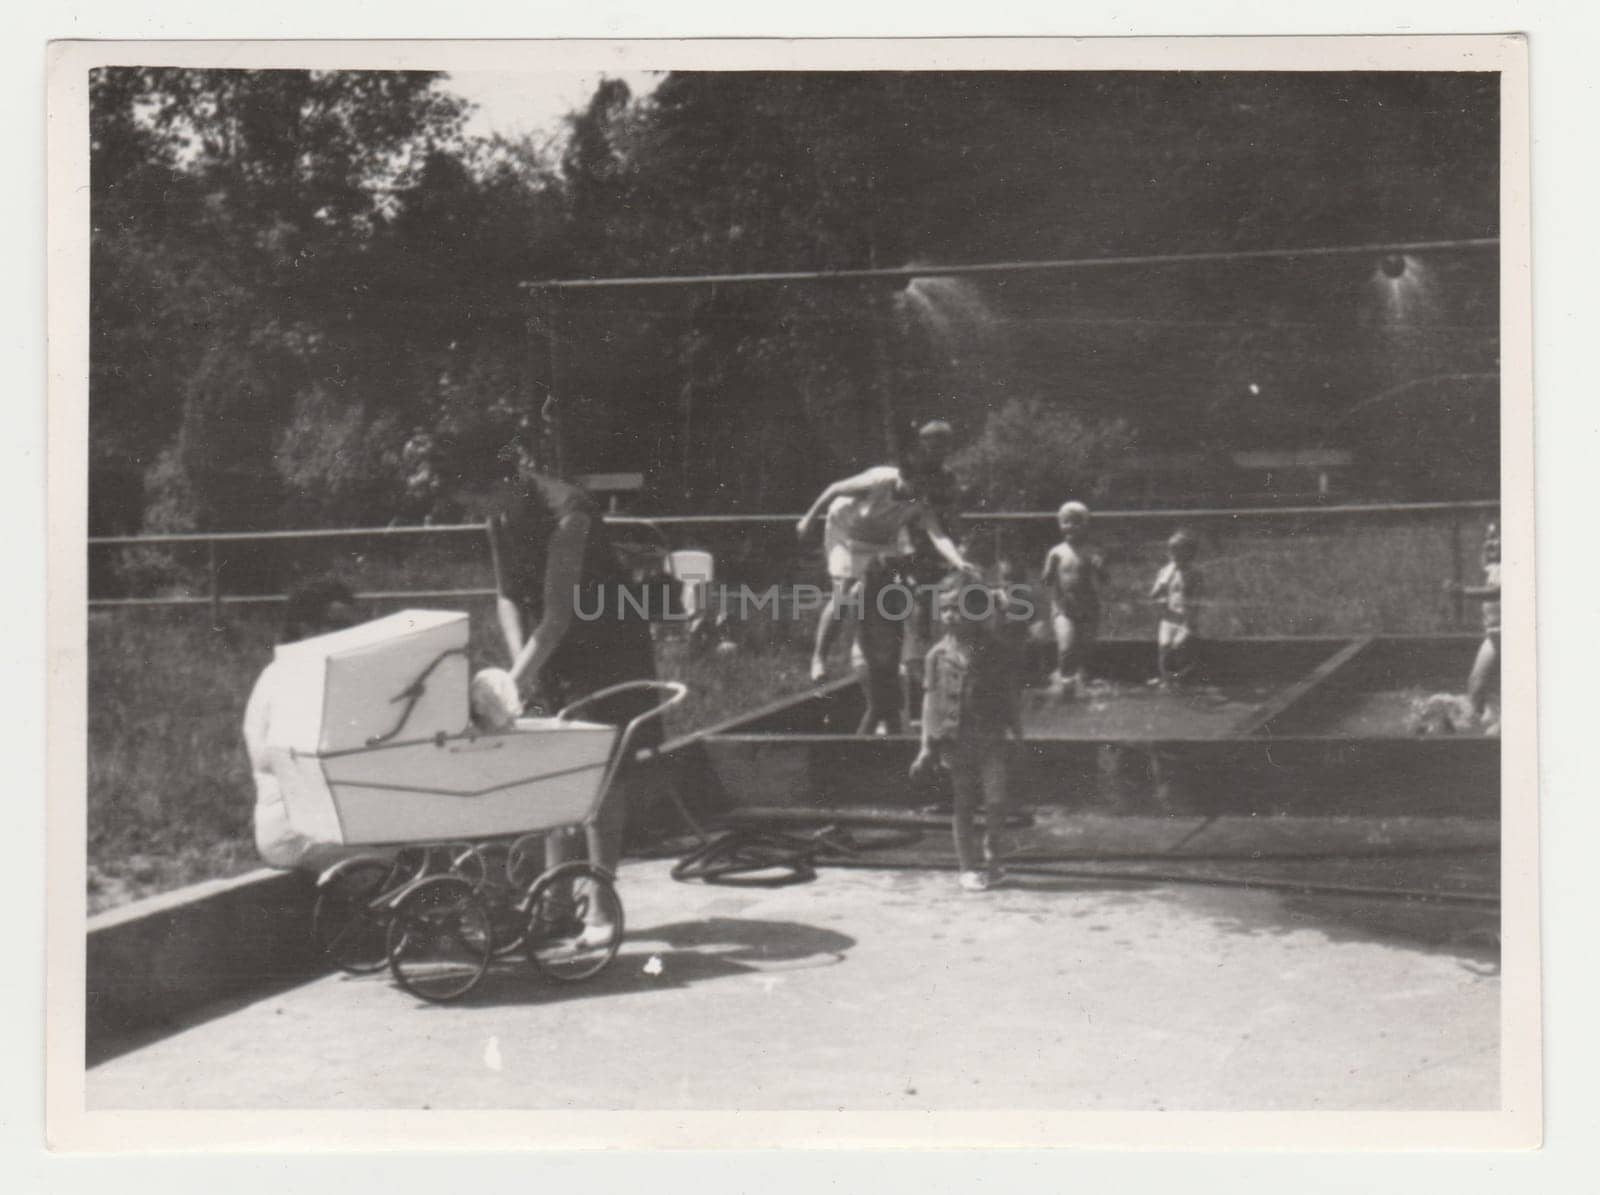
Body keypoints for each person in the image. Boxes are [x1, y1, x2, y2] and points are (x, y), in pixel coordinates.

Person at [796, 458, 978, 681]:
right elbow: (833, 489)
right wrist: (808, 519)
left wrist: (959, 561)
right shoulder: (878, 481)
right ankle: (819, 659)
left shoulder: (920, 498)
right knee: (843, 594)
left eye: (924, 486)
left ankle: (906, 659)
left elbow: (936, 533)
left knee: (900, 590)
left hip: (882, 536)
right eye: (916, 485)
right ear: (903, 477)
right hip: (846, 531)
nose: (920, 491)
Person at [909, 577, 1023, 892]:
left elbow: (1009, 696)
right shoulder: (936, 655)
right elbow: (929, 702)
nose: (949, 615)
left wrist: (1019, 733)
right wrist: (925, 747)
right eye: (944, 608)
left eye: (956, 608)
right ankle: (968, 866)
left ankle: (994, 852)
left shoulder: (997, 650)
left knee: (997, 801)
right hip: (955, 741)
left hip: (991, 738)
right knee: (964, 802)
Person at [242, 580, 364, 872]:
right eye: (335, 626)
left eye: (351, 627)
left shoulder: (314, 676)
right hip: (295, 828)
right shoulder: (288, 680)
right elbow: (275, 758)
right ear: (305, 628)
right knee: (407, 853)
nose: (348, 636)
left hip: (315, 821)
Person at [896, 420, 965, 725]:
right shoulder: (909, 474)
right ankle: (913, 713)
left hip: (943, 555)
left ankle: (945, 704)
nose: (937, 449)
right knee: (916, 630)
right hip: (913, 558)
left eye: (943, 443)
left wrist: (957, 550)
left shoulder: (949, 478)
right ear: (922, 444)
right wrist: (905, 557)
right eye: (931, 443)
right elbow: (898, 518)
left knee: (948, 624)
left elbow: (952, 517)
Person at [1040, 500, 1107, 697]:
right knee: (1066, 646)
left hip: (1088, 607)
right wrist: (1051, 568)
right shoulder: (1056, 552)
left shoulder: (1092, 551)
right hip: (1063, 608)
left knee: (1085, 648)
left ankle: (1080, 680)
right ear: (1060, 524)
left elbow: (1105, 579)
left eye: (1076, 522)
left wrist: (1100, 567)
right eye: (1066, 522)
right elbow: (1046, 581)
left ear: (1085, 525)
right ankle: (1065, 681)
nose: (1070, 526)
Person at [1446, 520, 1501, 728]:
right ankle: (1475, 725)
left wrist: (1464, 592)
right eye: (1488, 538)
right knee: (1475, 683)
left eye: (1496, 538)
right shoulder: (1494, 568)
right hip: (1495, 636)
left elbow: (1498, 591)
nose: (1490, 543)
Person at [1148, 529, 1202, 686]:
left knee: (1179, 647)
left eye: (1179, 551)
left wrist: (1189, 624)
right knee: (1165, 648)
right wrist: (1163, 583)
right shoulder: (1165, 571)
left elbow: (1197, 600)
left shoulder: (1195, 573)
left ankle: (1181, 681)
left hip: (1185, 618)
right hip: (1168, 619)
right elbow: (1153, 595)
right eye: (1172, 551)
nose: (1174, 555)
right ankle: (1166, 680)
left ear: (1189, 553)